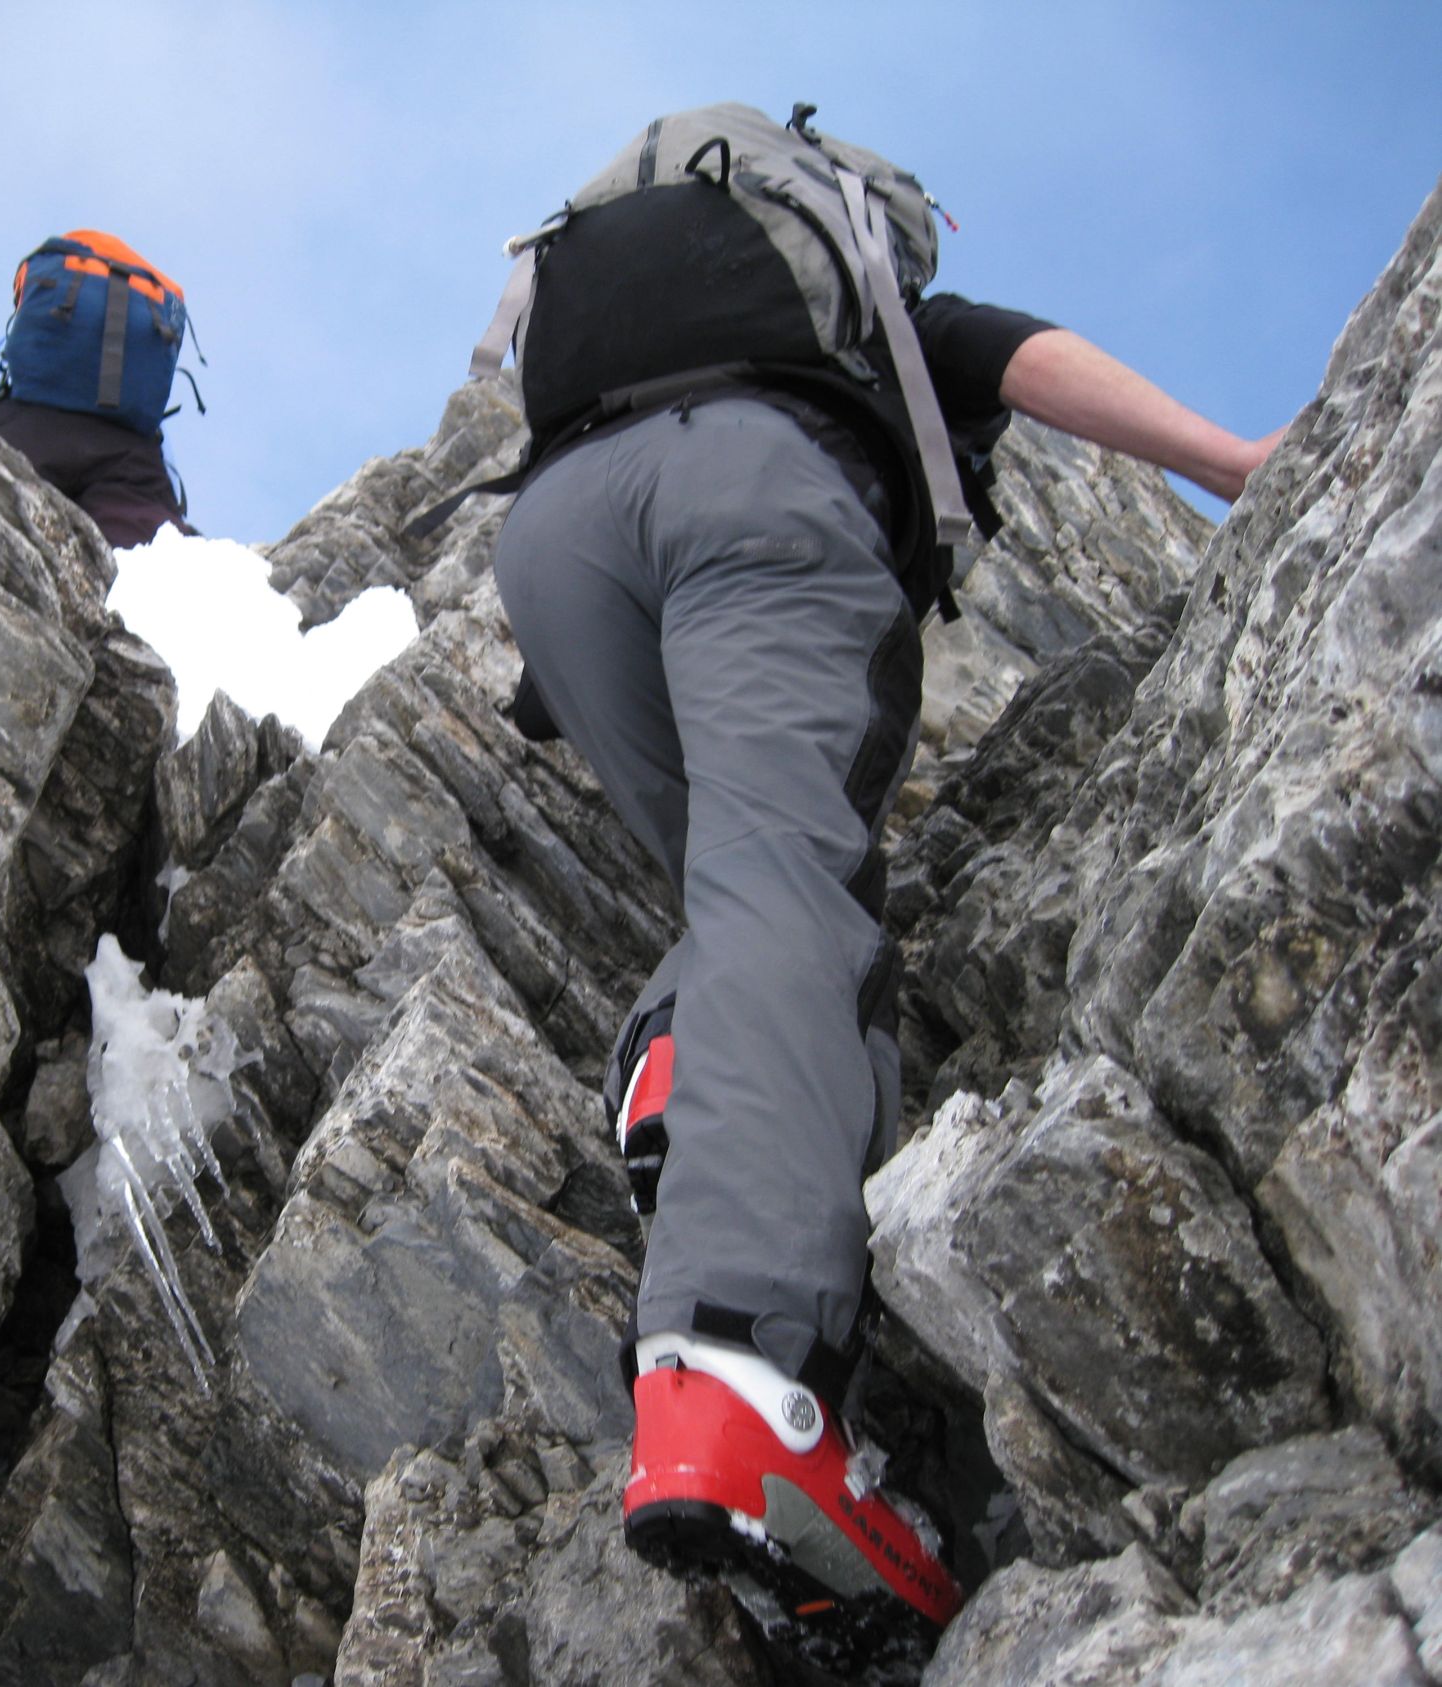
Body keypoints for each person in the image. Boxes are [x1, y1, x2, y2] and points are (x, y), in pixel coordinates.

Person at [489, 224, 1280, 1662]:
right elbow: (1022, 359)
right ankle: (744, 1378)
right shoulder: (867, 314)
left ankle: (681, 1059)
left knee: (735, 893)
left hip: (549, 544)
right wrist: (1225, 459)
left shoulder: (630, 315)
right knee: (790, 887)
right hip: (748, 490)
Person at [0, 229, 198, 549]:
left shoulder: (2, 348)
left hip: (27, 431)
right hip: (127, 455)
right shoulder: (134, 375)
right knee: (143, 553)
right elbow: (166, 459)